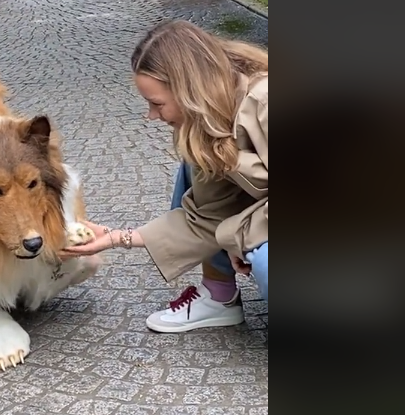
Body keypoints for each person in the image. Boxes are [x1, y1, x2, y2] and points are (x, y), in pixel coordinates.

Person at [62, 19, 268, 333]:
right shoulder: (207, 124)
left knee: (265, 261)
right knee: (196, 161)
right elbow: (207, 217)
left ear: (191, 91)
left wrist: (241, 236)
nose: (151, 116)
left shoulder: (264, 102)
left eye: (156, 103)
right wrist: (116, 237)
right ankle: (218, 295)